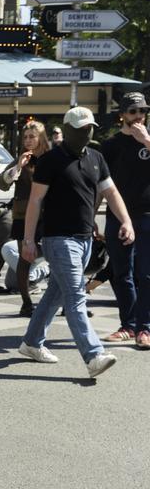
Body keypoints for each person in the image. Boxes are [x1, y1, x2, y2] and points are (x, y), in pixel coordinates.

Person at [19, 106, 134, 378]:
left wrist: (126, 221)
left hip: (84, 240)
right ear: (67, 130)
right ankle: (94, 356)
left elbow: (111, 191)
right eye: (81, 129)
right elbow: (35, 201)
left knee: (54, 295)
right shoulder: (50, 161)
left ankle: (31, 343)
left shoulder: (96, 157)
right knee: (75, 297)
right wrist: (28, 240)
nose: (87, 132)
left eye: (89, 128)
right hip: (58, 240)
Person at [99, 91, 150, 348]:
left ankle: (145, 328)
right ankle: (128, 325)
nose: (139, 116)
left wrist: (147, 142)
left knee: (146, 274)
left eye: (142, 111)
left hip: (147, 216)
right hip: (118, 217)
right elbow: (101, 185)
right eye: (133, 112)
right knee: (122, 274)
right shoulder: (110, 146)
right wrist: (89, 220)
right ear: (122, 115)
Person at [0, 120, 50, 317]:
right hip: (23, 214)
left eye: (32, 137)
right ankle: (26, 302)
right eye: (25, 137)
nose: (28, 141)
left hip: (49, 214)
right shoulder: (22, 159)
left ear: (41, 138)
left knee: (56, 255)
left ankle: (61, 300)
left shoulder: (50, 158)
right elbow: (2, 182)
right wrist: (18, 167)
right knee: (24, 258)